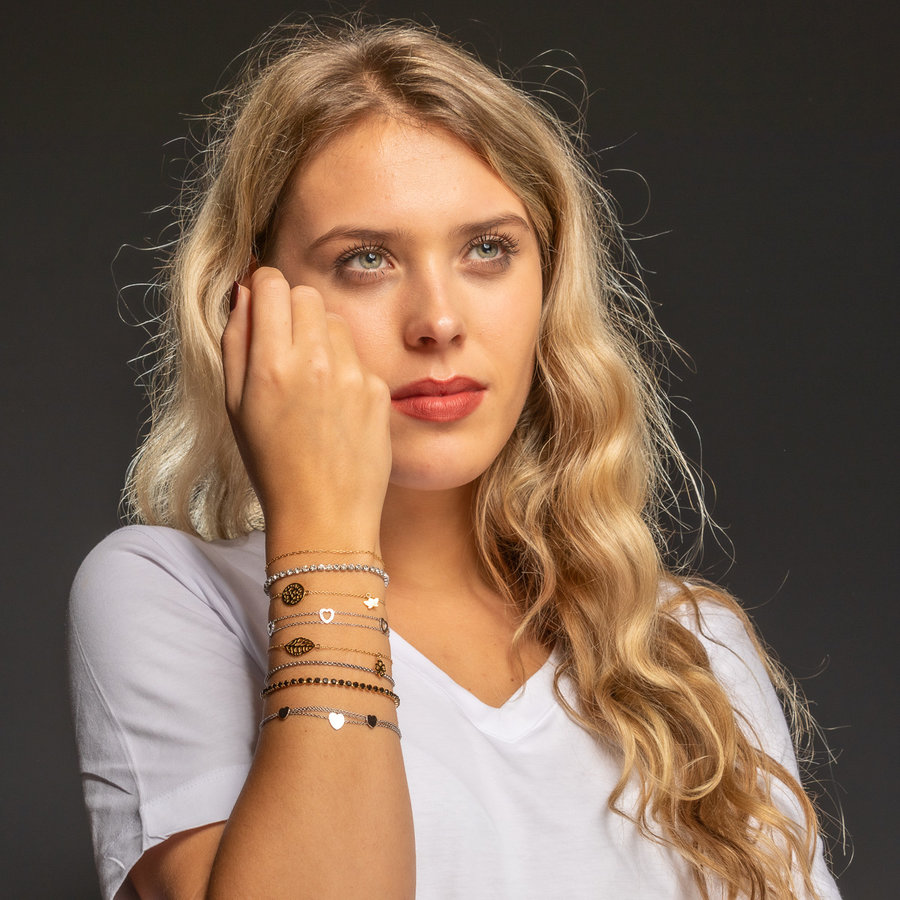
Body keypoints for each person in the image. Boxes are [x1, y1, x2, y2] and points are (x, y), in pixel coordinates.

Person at [68, 19, 841, 900]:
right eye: (366, 259)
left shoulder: (689, 650)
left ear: (547, 281)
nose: (438, 320)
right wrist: (325, 529)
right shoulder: (171, 597)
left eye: (487, 249)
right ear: (253, 302)